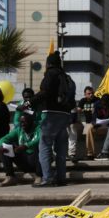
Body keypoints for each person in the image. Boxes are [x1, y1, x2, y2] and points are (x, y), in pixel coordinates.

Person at [32, 51, 74, 187]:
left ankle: (48, 178)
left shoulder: (50, 74)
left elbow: (44, 92)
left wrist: (29, 103)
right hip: (65, 115)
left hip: (51, 113)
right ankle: (61, 178)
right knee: (61, 147)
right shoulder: (67, 77)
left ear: (48, 63)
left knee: (44, 146)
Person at [0, 113, 41, 187]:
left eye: (24, 122)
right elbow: (4, 138)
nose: (22, 124)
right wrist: (1, 145)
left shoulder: (39, 128)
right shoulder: (19, 129)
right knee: (5, 148)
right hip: (25, 161)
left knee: (39, 148)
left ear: (31, 122)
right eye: (21, 122)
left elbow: (39, 139)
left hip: (36, 161)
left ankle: (39, 176)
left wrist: (26, 146)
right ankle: (10, 176)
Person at [68, 86, 99, 161]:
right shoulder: (83, 101)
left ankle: (90, 154)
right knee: (72, 127)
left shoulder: (97, 100)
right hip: (84, 122)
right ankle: (72, 153)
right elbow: (78, 110)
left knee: (88, 129)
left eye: (92, 93)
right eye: (89, 93)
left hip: (94, 122)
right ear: (85, 94)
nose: (91, 95)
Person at [85, 94, 109, 160]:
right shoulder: (97, 105)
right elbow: (93, 118)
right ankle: (90, 153)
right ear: (101, 101)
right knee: (89, 129)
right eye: (104, 103)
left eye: (106, 104)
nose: (105, 105)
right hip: (98, 126)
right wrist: (95, 124)